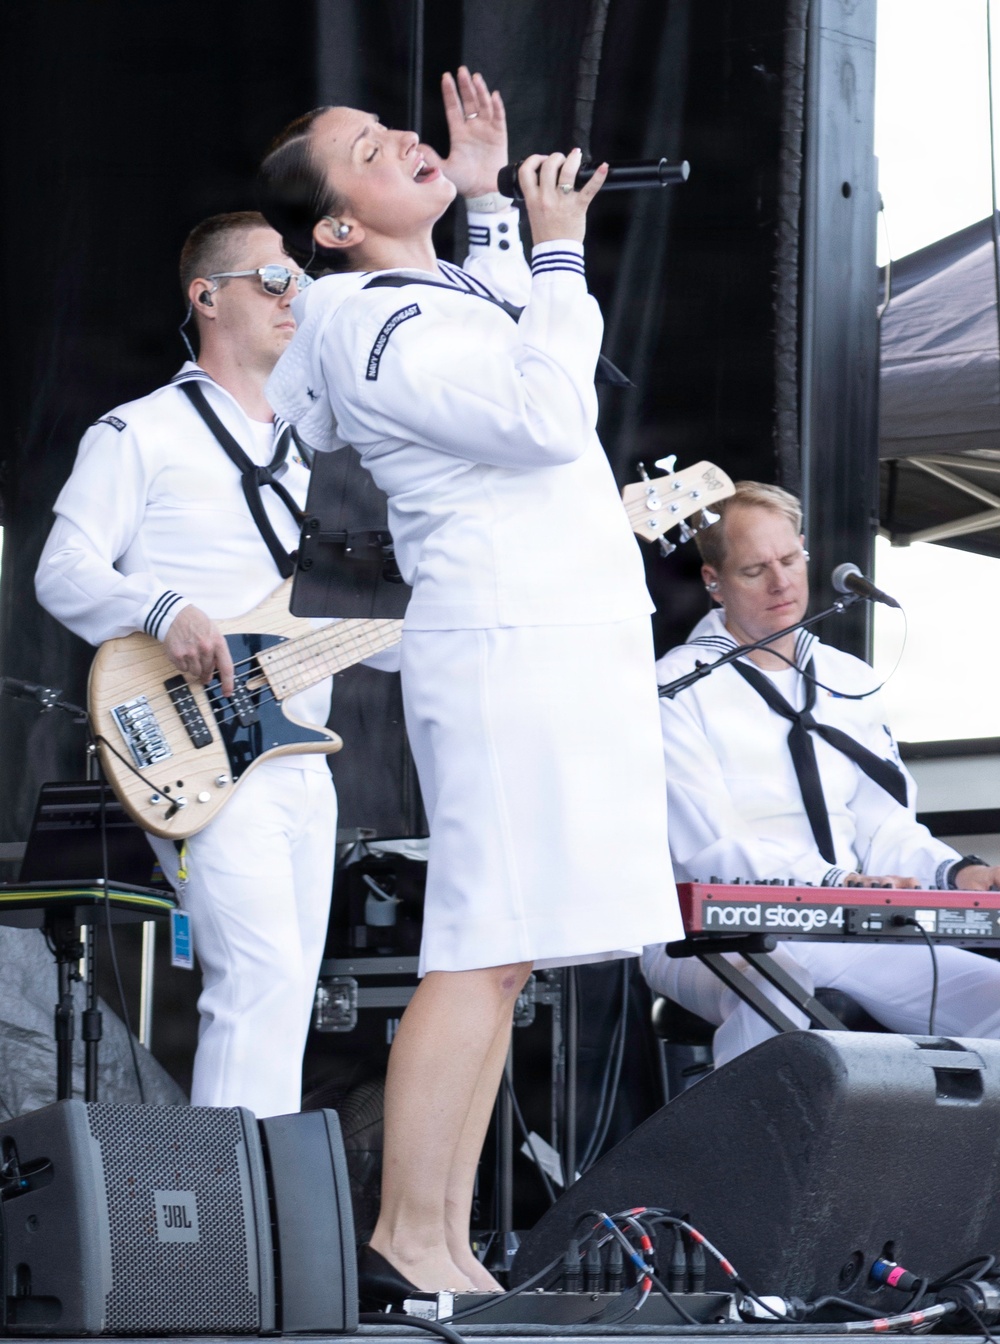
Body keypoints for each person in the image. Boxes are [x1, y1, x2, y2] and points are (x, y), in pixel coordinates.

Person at [257, 67, 682, 1298]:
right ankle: (406, 1235)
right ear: (337, 225)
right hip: (503, 639)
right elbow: (547, 414)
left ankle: (445, 1244)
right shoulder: (365, 318)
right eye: (372, 146)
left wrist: (494, 205)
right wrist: (559, 255)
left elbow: (500, 329)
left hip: (551, 631)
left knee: (510, 952)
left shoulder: (428, 293)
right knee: (480, 941)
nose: (405, 140)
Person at [35, 212, 339, 1119]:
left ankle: (267, 1229)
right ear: (208, 297)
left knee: (287, 993)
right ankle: (234, 1242)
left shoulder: (321, 449)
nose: (298, 297)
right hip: (199, 751)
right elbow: (63, 568)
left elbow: (356, 613)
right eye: (274, 279)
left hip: (297, 754)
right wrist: (160, 605)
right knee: (257, 981)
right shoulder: (141, 432)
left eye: (302, 280)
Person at [642, 480, 1000, 1066]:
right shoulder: (675, 687)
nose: (782, 582)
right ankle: (743, 1158)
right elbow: (711, 847)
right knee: (778, 991)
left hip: (845, 926)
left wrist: (955, 872)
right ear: (714, 582)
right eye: (755, 569)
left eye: (789, 559)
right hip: (712, 937)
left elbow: (883, 827)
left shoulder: (849, 679)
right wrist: (831, 883)